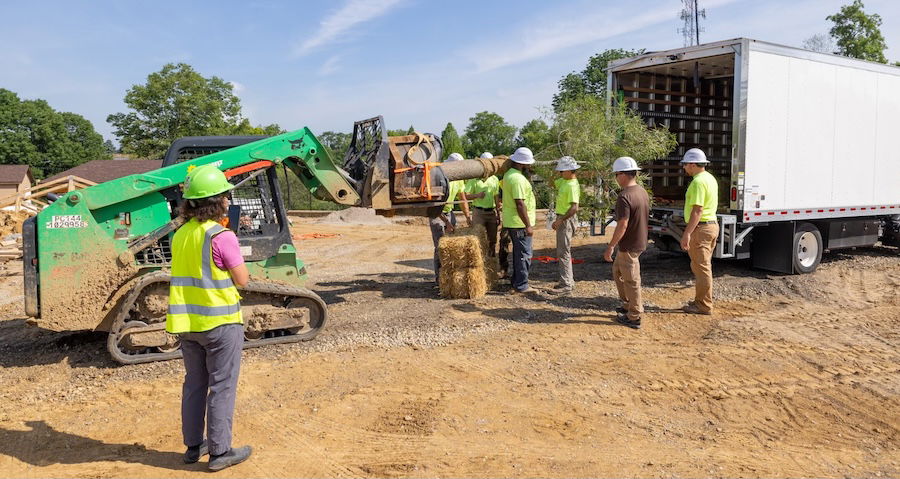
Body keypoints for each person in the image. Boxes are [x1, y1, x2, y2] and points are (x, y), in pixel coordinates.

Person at [166, 164, 252, 472]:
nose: (228, 201)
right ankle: (219, 452)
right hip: (220, 324)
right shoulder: (221, 236)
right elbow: (242, 279)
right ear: (217, 201)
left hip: (188, 325)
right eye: (225, 196)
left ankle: (193, 447)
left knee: (194, 385)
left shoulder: (179, 235)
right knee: (222, 386)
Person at [603, 157, 650, 329]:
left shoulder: (624, 197)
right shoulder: (641, 192)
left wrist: (610, 246)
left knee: (631, 280)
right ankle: (627, 305)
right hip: (637, 241)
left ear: (623, 174)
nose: (616, 178)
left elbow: (622, 224)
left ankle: (634, 315)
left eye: (616, 174)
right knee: (618, 272)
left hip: (629, 245)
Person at [679, 148, 719, 315]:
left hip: (701, 228)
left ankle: (703, 305)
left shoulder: (697, 182)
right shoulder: (709, 178)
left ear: (693, 164)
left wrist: (687, 233)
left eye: (685, 164)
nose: (684, 168)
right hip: (711, 226)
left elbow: (697, 210)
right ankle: (701, 301)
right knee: (702, 266)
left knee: (702, 268)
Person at [430, 152, 471, 283]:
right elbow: (434, 205)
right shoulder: (438, 178)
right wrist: (447, 222)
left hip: (449, 213)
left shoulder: (458, 178)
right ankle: (440, 280)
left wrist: (468, 217)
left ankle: (451, 276)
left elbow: (462, 198)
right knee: (440, 247)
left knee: (452, 246)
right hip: (437, 214)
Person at [502, 147, 538, 294]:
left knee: (519, 253)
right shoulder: (517, 179)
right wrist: (528, 225)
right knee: (524, 255)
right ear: (523, 164)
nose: (530, 166)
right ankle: (522, 285)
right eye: (528, 164)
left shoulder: (509, 175)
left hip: (514, 222)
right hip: (519, 224)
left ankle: (517, 281)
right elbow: (520, 203)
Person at [549, 156, 581, 296]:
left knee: (564, 252)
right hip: (563, 219)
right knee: (562, 252)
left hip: (566, 219)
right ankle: (566, 281)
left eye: (562, 170)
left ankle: (567, 284)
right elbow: (551, 183)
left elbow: (574, 208)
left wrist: (560, 220)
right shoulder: (564, 181)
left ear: (569, 170)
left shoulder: (572, 185)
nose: (560, 173)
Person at [464, 152, 501, 258]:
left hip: (491, 212)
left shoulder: (494, 179)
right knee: (477, 238)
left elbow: (496, 197)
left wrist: (498, 214)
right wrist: (477, 195)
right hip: (478, 212)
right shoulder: (473, 179)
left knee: (493, 239)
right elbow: (466, 196)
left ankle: (492, 259)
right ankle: (478, 260)